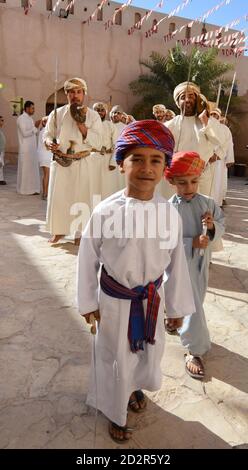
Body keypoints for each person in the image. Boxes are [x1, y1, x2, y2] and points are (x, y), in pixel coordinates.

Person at [77, 120, 195, 443]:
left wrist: (177, 306)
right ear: (120, 164)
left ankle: (132, 389)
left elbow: (177, 264)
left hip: (150, 301)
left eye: (156, 160)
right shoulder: (105, 211)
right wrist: (88, 303)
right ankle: (116, 411)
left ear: (164, 167)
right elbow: (87, 257)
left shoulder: (169, 213)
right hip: (114, 302)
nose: (147, 168)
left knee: (145, 352)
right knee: (114, 356)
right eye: (137, 159)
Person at [165, 151, 225, 379]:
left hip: (200, 263)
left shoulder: (208, 203)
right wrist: (191, 242)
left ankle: (173, 319)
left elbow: (221, 223)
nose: (189, 187)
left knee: (193, 299)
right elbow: (163, 240)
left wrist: (210, 230)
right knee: (190, 303)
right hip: (178, 264)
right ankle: (195, 350)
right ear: (171, 181)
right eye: (182, 183)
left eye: (194, 181)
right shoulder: (168, 208)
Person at [43, 77, 102, 245]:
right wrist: (49, 143)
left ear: (84, 94)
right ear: (67, 94)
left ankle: (79, 233)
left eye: (78, 92)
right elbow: (47, 134)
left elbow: (98, 141)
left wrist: (81, 125)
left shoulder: (93, 115)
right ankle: (58, 231)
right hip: (62, 162)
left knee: (82, 199)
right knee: (60, 198)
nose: (75, 95)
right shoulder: (57, 113)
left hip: (83, 162)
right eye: (71, 92)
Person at [165, 82, 225, 197]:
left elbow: (218, 141)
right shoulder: (170, 125)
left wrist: (205, 121)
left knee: (201, 211)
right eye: (183, 97)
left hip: (202, 178)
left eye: (191, 96)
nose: (187, 100)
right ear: (178, 103)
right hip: (178, 179)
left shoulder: (209, 122)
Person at [92, 102, 119, 198]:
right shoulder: (88, 125)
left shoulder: (110, 126)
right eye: (97, 110)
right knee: (93, 187)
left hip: (107, 160)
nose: (99, 112)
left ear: (106, 112)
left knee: (107, 187)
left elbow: (117, 144)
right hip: (92, 159)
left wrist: (113, 162)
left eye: (102, 110)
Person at [16, 101, 40, 195]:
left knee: (32, 169)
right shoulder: (21, 119)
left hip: (32, 149)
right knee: (25, 169)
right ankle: (24, 190)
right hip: (25, 149)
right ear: (26, 108)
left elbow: (33, 133)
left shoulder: (30, 119)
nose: (33, 110)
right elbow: (25, 133)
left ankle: (32, 189)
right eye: (32, 108)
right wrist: (35, 127)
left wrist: (37, 128)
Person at [37, 117, 52, 200]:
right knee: (47, 174)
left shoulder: (42, 130)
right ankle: (45, 194)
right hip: (46, 155)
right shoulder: (45, 131)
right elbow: (46, 144)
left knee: (47, 174)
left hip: (44, 154)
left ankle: (46, 193)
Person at [0, 116, 6, 185]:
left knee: (1, 165)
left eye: (2, 120)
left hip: (2, 150)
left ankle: (1, 179)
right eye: (1, 120)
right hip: (0, 150)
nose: (2, 122)